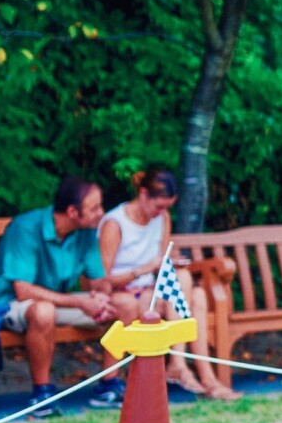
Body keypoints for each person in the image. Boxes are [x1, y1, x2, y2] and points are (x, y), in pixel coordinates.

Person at [0, 176, 118, 418]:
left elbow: (98, 280)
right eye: (94, 208)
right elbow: (23, 290)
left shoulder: (85, 232)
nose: (101, 213)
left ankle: (108, 388)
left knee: (124, 306)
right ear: (73, 212)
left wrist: (102, 298)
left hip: (55, 300)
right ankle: (42, 396)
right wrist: (81, 302)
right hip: (5, 304)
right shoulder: (26, 228)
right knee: (43, 311)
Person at [99, 167, 233, 402]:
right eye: (159, 206)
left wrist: (171, 263)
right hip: (123, 295)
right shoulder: (115, 223)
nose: (162, 212)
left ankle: (194, 372)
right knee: (193, 293)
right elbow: (102, 279)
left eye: (167, 207)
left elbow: (162, 264)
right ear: (142, 194)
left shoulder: (162, 218)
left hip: (151, 293)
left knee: (192, 288)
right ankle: (187, 371)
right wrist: (144, 269)